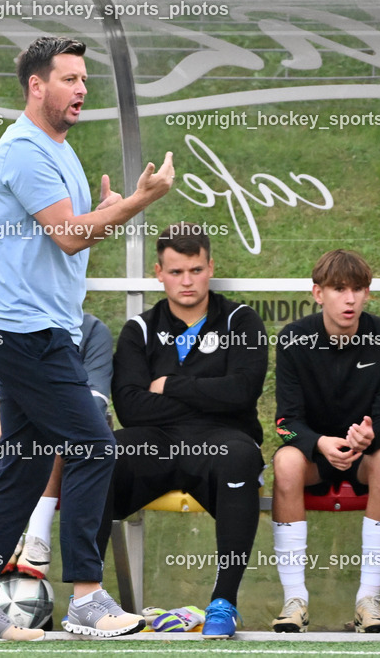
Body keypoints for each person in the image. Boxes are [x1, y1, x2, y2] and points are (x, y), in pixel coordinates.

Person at [0, 36, 173, 642]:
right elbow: (72, 236)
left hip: (44, 331)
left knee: (21, 468)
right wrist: (133, 205)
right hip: (25, 336)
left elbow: (70, 234)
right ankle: (85, 597)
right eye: (70, 79)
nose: (81, 90)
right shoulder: (24, 150)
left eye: (84, 80)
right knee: (97, 446)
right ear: (36, 85)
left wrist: (106, 211)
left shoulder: (58, 147)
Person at [97, 222, 268, 640]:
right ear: (159, 272)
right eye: (176, 272)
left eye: (195, 270)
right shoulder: (139, 329)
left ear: (210, 267)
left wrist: (171, 384)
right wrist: (212, 392)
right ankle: (91, 597)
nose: (186, 281)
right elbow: (131, 406)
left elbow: (243, 393)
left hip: (221, 439)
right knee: (100, 454)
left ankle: (223, 602)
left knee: (242, 456)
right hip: (156, 440)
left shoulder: (241, 321)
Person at [270, 249, 380, 633]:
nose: (349, 299)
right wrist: (319, 443)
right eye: (338, 289)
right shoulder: (293, 340)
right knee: (285, 461)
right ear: (318, 293)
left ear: (368, 293)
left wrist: (371, 437)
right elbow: (285, 423)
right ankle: (294, 600)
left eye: (358, 289)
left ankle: (369, 601)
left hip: (366, 457)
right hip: (314, 455)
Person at [0, 313, 113, 578]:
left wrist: (57, 414)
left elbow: (97, 394)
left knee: (51, 405)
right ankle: (13, 536)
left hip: (75, 444)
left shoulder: (94, 329)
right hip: (4, 439)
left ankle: (38, 538)